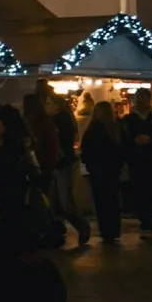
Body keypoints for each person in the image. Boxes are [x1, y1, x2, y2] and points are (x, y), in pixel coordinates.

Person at [44, 94, 90, 247]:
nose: (46, 106)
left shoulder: (60, 121)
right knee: (59, 200)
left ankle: (82, 227)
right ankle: (73, 228)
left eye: (49, 103)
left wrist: (57, 162)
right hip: (63, 163)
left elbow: (61, 145)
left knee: (64, 200)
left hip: (62, 164)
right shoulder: (63, 119)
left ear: (57, 105)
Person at [81, 100, 126, 246]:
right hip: (112, 170)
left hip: (98, 171)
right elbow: (124, 148)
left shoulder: (93, 129)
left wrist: (88, 163)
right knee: (112, 201)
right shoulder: (116, 128)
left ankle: (106, 230)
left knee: (101, 201)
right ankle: (113, 230)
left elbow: (86, 149)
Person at [122, 87, 152, 237]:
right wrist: (134, 142)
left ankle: (147, 222)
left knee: (150, 191)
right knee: (139, 191)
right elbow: (124, 138)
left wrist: (151, 141)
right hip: (137, 161)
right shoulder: (130, 119)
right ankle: (144, 220)